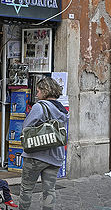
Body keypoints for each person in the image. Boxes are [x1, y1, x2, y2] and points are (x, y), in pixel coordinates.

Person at [19, 77, 69, 210]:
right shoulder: (63, 110)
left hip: (36, 155)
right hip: (55, 156)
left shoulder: (39, 107)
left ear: (45, 91)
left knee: (26, 189)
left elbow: (26, 127)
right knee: (49, 190)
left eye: (38, 91)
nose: (36, 94)